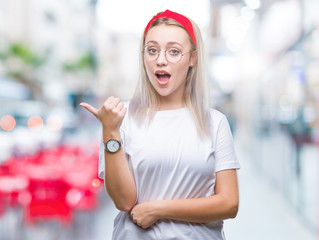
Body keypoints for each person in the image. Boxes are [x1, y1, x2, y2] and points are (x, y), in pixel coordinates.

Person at [80, 9, 240, 240]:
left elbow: (229, 203)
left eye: (174, 51)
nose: (161, 60)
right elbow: (124, 201)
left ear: (192, 58)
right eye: (152, 50)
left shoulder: (214, 122)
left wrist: (159, 209)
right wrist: (110, 132)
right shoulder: (120, 117)